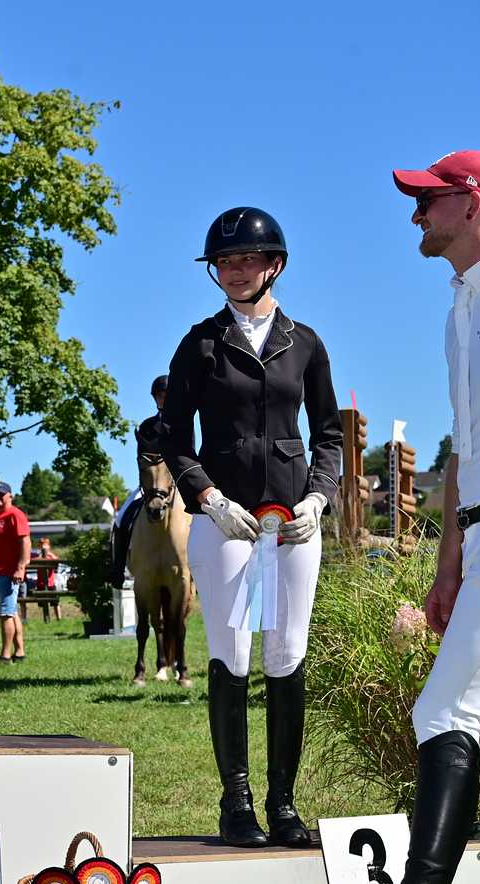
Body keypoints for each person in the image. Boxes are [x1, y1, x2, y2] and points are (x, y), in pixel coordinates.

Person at [293, 151, 480, 884]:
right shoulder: (462, 310)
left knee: (444, 710)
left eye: (428, 199)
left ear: (473, 202)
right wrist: (447, 560)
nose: (415, 214)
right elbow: (466, 451)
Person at [157, 207, 342, 849]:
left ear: (274, 265)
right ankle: (235, 804)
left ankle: (284, 804)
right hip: (225, 522)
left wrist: (319, 497)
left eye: (247, 260)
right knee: (231, 653)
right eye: (225, 262)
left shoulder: (306, 343)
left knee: (287, 654)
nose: (236, 271)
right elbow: (173, 436)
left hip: (293, 523)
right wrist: (206, 497)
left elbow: (328, 434)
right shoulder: (200, 344)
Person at [110, 375, 171, 585]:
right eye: (159, 396)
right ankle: (118, 571)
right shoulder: (146, 426)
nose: (163, 399)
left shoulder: (183, 423)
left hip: (177, 484)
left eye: (166, 395)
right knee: (121, 518)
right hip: (150, 485)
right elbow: (141, 461)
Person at [0, 481, 30, 662]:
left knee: (5, 613)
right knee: (11, 612)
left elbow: (25, 541)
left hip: (9, 572)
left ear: (10, 496)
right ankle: (19, 652)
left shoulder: (15, 514)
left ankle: (5, 655)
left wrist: (21, 567)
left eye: (2, 494)